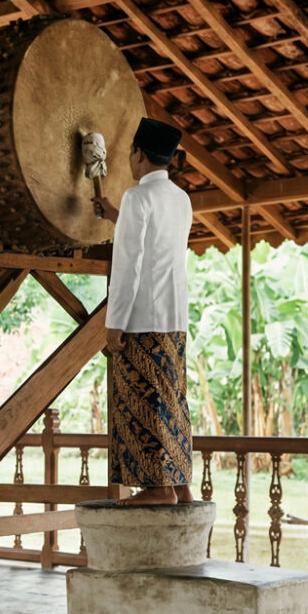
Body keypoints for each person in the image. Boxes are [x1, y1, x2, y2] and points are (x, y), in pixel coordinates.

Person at [91, 117, 194, 506]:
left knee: (143, 401)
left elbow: (130, 262)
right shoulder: (180, 198)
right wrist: (115, 215)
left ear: (138, 154)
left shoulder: (138, 197)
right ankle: (180, 484)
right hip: (174, 319)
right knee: (172, 398)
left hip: (141, 320)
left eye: (130, 154)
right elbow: (155, 241)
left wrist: (114, 324)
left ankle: (156, 488)